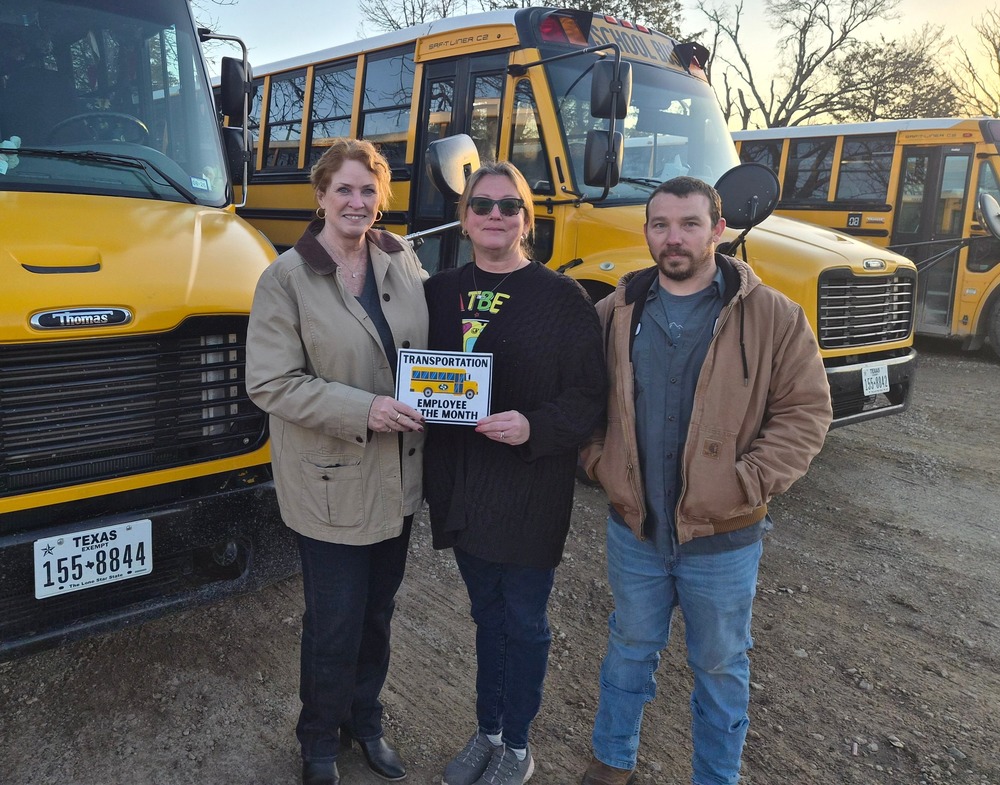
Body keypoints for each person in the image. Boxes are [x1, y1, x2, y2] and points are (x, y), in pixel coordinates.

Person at [579, 176, 833, 785]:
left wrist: (752, 481)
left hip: (724, 538)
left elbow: (806, 410)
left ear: (717, 231)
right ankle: (611, 766)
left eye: (690, 224)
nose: (675, 238)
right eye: (661, 225)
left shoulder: (773, 316)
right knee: (629, 650)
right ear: (646, 233)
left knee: (720, 666)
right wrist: (597, 461)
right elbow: (579, 395)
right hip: (635, 532)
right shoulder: (615, 313)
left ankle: (717, 777)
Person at [245, 138, 427, 785]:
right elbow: (269, 382)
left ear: (382, 198)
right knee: (334, 621)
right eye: (343, 189)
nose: (356, 201)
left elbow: (431, 350)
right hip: (329, 483)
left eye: (367, 189)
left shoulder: (401, 257)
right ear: (320, 196)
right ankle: (318, 740)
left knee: (378, 613)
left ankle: (365, 720)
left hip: (398, 479)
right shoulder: (286, 278)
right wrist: (365, 409)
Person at [423, 161, 607, 785]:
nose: (495, 216)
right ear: (465, 217)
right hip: (462, 485)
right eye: (482, 206)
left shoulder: (562, 297)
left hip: (529, 490)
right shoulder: (438, 290)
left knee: (524, 621)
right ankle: (488, 731)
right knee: (485, 616)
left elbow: (588, 396)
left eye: (509, 206)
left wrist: (534, 425)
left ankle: (519, 745)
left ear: (528, 219)